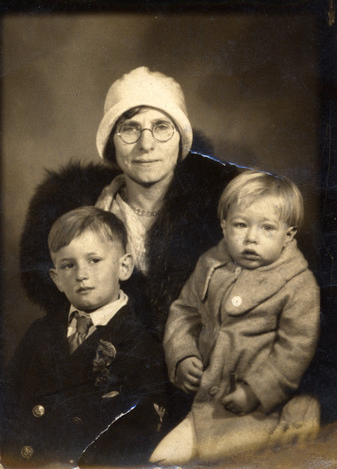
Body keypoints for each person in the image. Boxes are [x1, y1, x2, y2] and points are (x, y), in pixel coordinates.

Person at [19, 66, 239, 430]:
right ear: (110, 142)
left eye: (161, 126)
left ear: (181, 140)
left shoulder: (225, 214)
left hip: (204, 392)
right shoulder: (77, 212)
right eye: (129, 128)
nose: (146, 144)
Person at [150, 170, 320, 464]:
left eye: (267, 228)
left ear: (288, 234)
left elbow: (295, 348)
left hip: (260, 411)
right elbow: (184, 311)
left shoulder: (299, 284)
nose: (251, 238)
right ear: (224, 227)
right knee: (160, 460)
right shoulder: (211, 263)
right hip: (207, 405)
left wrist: (257, 390)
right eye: (241, 225)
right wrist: (182, 355)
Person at [2, 206, 166, 468]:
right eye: (68, 265)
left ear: (124, 266)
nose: (81, 274)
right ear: (57, 279)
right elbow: (7, 396)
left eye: (94, 260)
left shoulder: (142, 342)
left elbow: (140, 426)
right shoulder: (40, 331)